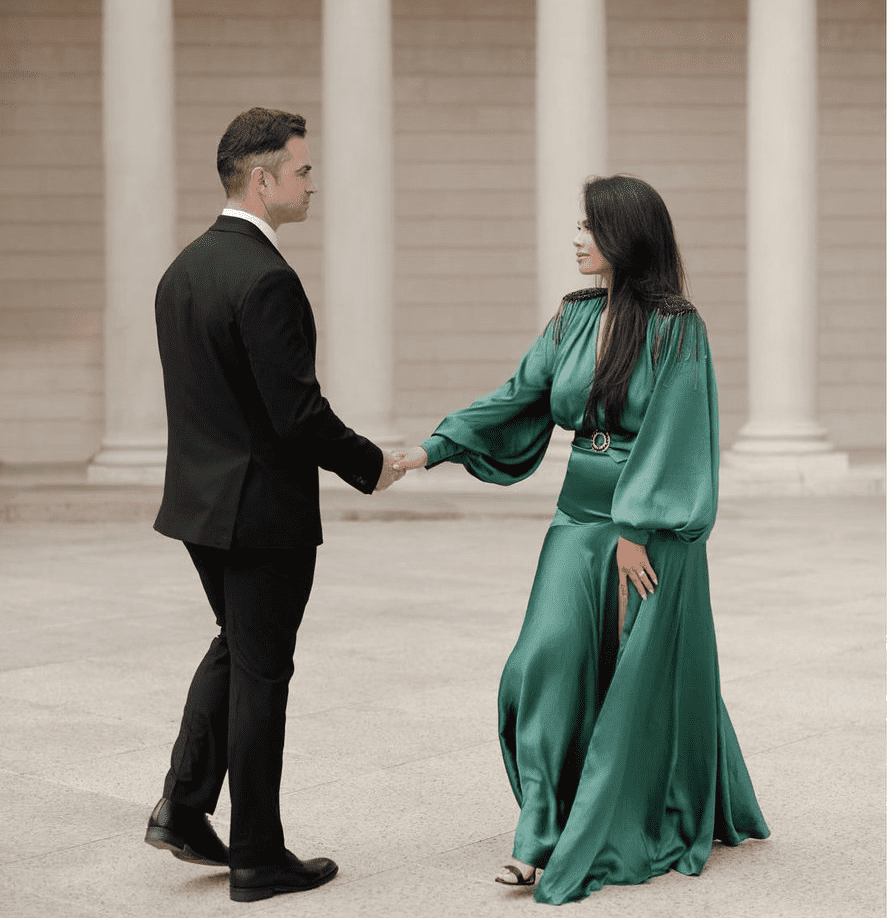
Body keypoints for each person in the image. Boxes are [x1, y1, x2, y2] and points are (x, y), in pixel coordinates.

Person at [393, 175, 769, 905]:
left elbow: (677, 432)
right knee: (544, 660)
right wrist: (435, 447)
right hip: (575, 518)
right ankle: (540, 823)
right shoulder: (571, 318)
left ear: (625, 237)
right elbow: (521, 394)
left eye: (590, 228)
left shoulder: (676, 325)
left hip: (647, 530)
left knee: (634, 679)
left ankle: (570, 834)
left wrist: (635, 528)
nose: (576, 238)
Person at [144, 107, 404, 903]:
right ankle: (257, 855)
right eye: (302, 170)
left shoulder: (182, 269)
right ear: (262, 179)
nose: (311, 182)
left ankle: (184, 810)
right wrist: (372, 463)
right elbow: (296, 413)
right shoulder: (267, 278)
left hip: (199, 508)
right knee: (262, 672)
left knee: (237, 649)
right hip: (261, 515)